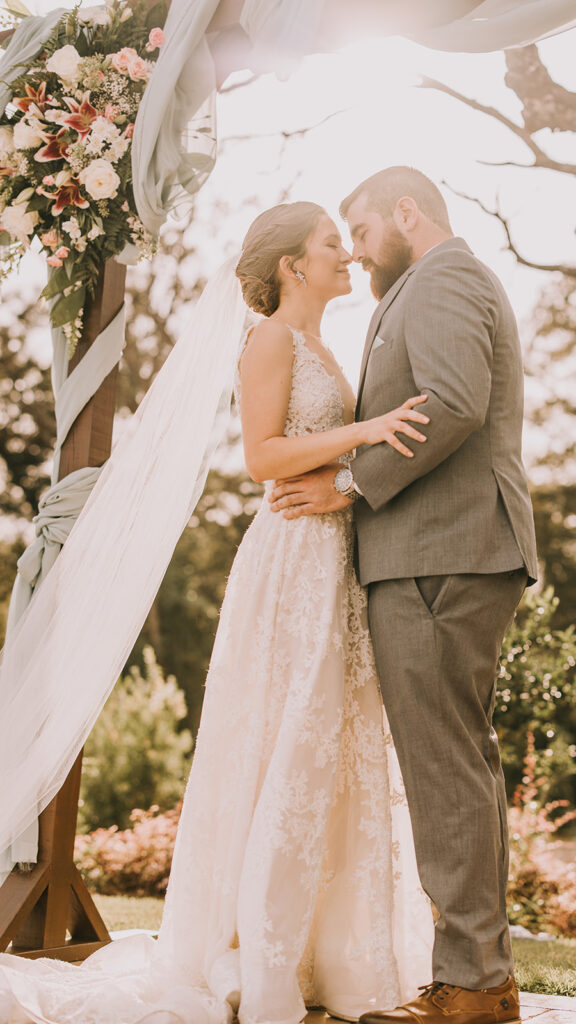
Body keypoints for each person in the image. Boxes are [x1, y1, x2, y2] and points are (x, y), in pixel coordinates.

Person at [0, 202, 434, 1023]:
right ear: (291, 268)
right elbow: (261, 457)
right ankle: (260, 959)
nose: (346, 254)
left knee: (327, 743)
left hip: (331, 558)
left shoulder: (321, 347)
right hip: (288, 562)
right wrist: (368, 432)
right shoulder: (269, 339)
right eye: (330, 244)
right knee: (290, 734)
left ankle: (324, 957)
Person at [269, 167, 539, 1024]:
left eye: (359, 228)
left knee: (445, 768)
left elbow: (453, 402)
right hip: (440, 553)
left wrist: (350, 484)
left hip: (442, 555)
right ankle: (481, 979)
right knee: (459, 762)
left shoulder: (443, 277)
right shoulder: (428, 285)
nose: (352, 248)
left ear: (406, 213)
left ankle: (469, 986)